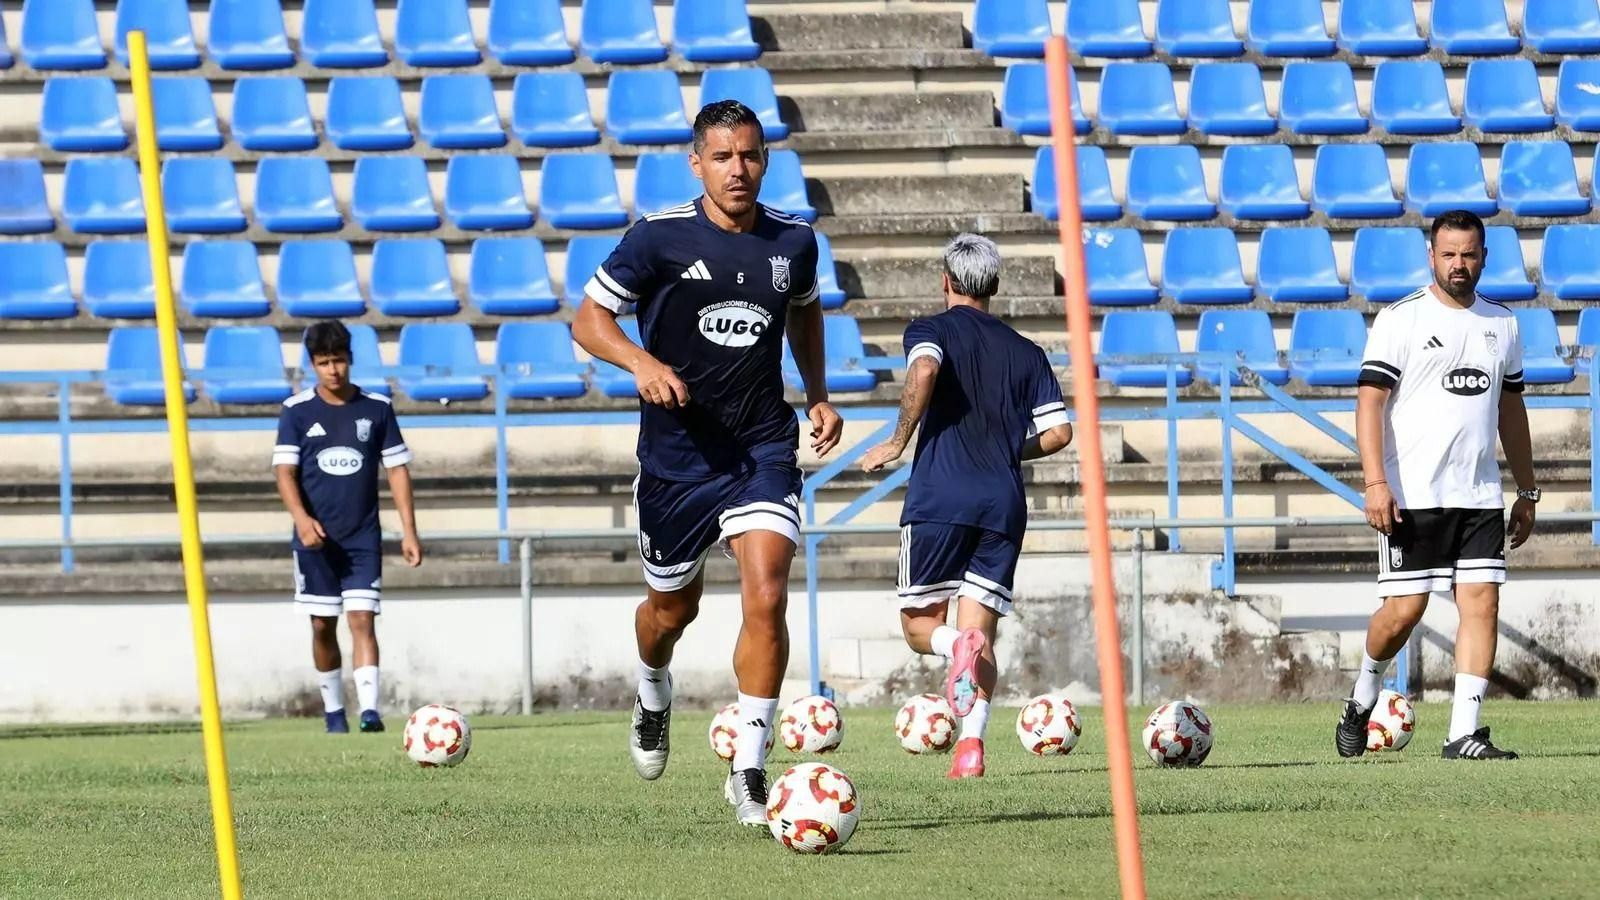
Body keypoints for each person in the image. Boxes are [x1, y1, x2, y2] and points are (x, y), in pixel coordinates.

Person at [571, 100, 843, 826]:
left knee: (767, 593)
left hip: (761, 447)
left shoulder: (795, 241)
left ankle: (750, 767)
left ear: (766, 159)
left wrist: (817, 393)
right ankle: (652, 689)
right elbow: (588, 319)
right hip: (676, 459)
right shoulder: (656, 240)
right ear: (697, 162)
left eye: (750, 155)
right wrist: (640, 361)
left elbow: (805, 311)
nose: (739, 170)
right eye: (723, 157)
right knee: (670, 610)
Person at [859, 233, 1074, 779]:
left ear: (946, 281)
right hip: (1002, 503)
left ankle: (956, 644)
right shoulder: (1028, 352)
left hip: (940, 497)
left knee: (919, 628)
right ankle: (970, 748)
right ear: (994, 286)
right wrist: (1009, 449)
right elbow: (1059, 433)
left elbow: (924, 371)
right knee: (985, 635)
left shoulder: (930, 329)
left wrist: (898, 439)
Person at [1336, 209, 1536, 761]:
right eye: (1448, 254)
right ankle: (1362, 696)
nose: (1459, 264)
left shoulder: (1503, 324)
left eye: (1469, 255)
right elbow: (1369, 404)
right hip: (1411, 495)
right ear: (1431, 255)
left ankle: (1462, 733)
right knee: (1405, 611)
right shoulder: (1400, 319)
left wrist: (1528, 489)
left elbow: (1511, 410)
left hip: (1477, 495)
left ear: (1484, 258)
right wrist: (1375, 483)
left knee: (1482, 602)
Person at [273, 322, 423, 734]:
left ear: (350, 360)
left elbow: (397, 470)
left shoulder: (376, 408)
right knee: (323, 624)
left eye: (339, 360)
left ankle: (370, 712)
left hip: (362, 538)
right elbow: (284, 474)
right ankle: (333, 710)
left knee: (362, 618)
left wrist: (409, 531)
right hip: (315, 541)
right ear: (312, 365)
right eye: (324, 363)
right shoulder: (296, 411)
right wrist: (302, 521)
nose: (333, 370)